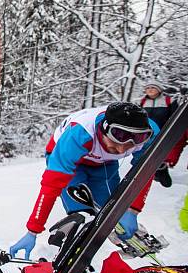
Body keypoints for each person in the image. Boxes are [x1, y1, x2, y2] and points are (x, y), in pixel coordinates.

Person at [10, 102, 160, 261]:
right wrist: (32, 231)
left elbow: (145, 171)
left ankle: (132, 240)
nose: (123, 149)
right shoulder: (79, 134)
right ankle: (69, 253)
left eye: (134, 141)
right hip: (70, 163)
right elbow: (50, 187)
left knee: (113, 208)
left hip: (104, 164)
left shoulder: (149, 136)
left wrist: (132, 210)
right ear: (104, 128)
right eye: (118, 139)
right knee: (83, 214)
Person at [139, 81, 177, 187]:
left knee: (159, 153)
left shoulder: (168, 101)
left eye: (153, 87)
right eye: (148, 87)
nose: (150, 89)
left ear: (159, 89)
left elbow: (175, 117)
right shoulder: (143, 102)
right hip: (147, 134)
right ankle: (151, 173)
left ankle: (162, 170)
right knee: (146, 154)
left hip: (163, 132)